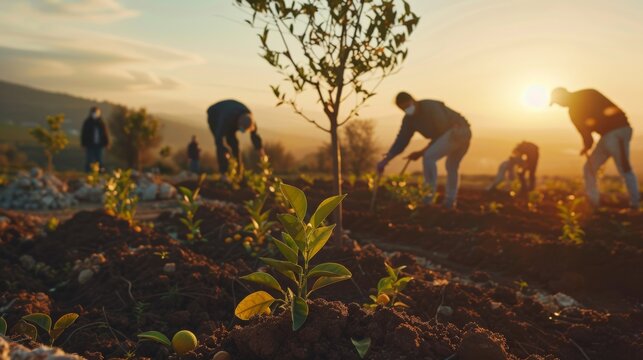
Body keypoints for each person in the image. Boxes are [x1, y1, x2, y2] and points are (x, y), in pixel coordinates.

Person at [377, 92, 472, 209]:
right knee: (451, 166)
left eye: (407, 106)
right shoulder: (409, 120)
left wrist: (421, 152)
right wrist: (386, 160)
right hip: (452, 135)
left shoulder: (430, 107)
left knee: (429, 158)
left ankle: (428, 198)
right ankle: (450, 202)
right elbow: (401, 140)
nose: (406, 110)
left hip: (458, 131)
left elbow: (442, 131)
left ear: (413, 100)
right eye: (403, 109)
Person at [551, 87, 639, 209]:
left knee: (625, 169)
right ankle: (593, 203)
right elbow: (609, 110)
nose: (559, 105)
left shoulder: (574, 111)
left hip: (615, 133)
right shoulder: (589, 92)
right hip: (615, 132)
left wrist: (586, 147)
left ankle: (634, 205)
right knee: (589, 168)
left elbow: (587, 135)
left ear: (562, 97)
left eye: (558, 102)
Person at [207, 100, 264, 181]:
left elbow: (254, 135)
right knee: (222, 147)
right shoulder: (226, 119)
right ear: (239, 123)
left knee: (235, 145)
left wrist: (260, 149)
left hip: (231, 117)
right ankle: (224, 174)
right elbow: (219, 138)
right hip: (214, 115)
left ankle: (239, 173)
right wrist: (224, 150)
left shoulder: (250, 119)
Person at [81, 106, 109, 172]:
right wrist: (83, 144)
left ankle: (100, 172)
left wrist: (107, 143)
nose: (95, 114)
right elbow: (84, 134)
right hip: (90, 144)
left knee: (99, 160)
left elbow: (105, 133)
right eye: (93, 112)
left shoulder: (101, 122)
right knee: (89, 160)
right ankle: (88, 172)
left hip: (99, 144)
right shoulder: (87, 122)